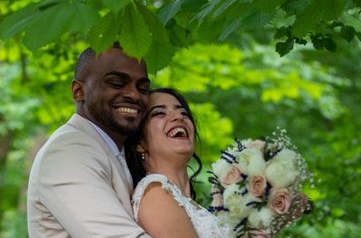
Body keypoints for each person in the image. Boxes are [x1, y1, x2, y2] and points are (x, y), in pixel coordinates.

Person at [27, 45, 152, 237]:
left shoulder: (118, 151)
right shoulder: (67, 152)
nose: (134, 95)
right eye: (117, 83)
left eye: (143, 88)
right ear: (78, 91)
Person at [126, 88, 232, 238]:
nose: (178, 117)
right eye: (159, 113)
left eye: (184, 113)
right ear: (139, 143)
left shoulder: (192, 205)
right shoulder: (155, 192)